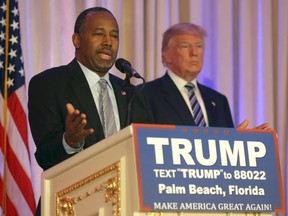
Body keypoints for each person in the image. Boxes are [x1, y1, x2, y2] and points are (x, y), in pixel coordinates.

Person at [28, 7, 152, 215]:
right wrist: (70, 141)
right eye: (98, 34)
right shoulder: (48, 84)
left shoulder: (130, 93)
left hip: (124, 205)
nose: (108, 41)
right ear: (76, 40)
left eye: (114, 35)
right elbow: (45, 157)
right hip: (71, 205)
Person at [140, 22, 269, 129]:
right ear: (166, 55)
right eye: (185, 46)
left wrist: (238, 140)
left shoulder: (218, 101)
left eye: (199, 46)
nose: (194, 52)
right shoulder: (145, 94)